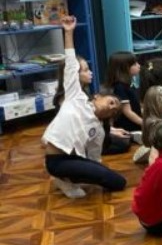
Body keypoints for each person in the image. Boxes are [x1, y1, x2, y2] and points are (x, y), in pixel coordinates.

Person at [43, 16, 126, 198]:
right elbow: (70, 65)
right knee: (95, 178)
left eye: (114, 111)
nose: (112, 108)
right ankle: (62, 179)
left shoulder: (99, 129)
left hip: (74, 159)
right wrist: (69, 32)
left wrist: (95, 171)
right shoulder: (76, 97)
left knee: (119, 182)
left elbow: (95, 157)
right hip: (56, 159)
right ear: (97, 97)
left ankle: (70, 177)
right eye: (111, 102)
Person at [105, 51, 143, 133]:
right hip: (128, 129)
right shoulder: (119, 87)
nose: (139, 66)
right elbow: (127, 112)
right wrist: (144, 124)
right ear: (124, 68)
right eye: (134, 64)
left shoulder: (128, 84)